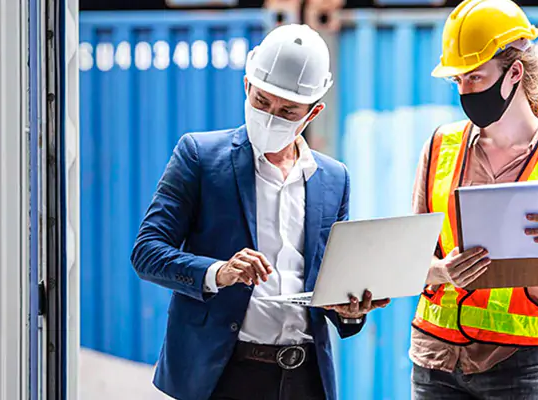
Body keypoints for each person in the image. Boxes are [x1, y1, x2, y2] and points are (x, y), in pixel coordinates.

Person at [131, 24, 389, 400]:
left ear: (313, 111)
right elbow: (147, 251)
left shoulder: (334, 179)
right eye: (262, 102)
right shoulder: (199, 157)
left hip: (305, 379)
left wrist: (350, 308)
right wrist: (218, 272)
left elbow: (330, 284)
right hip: (222, 376)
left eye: (287, 111)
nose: (271, 116)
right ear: (246, 86)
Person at [409, 0, 538, 399]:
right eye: (457, 81)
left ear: (514, 74)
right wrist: (441, 272)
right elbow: (408, 257)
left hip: (520, 363)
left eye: (474, 77)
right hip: (434, 359)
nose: (465, 91)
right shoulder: (440, 146)